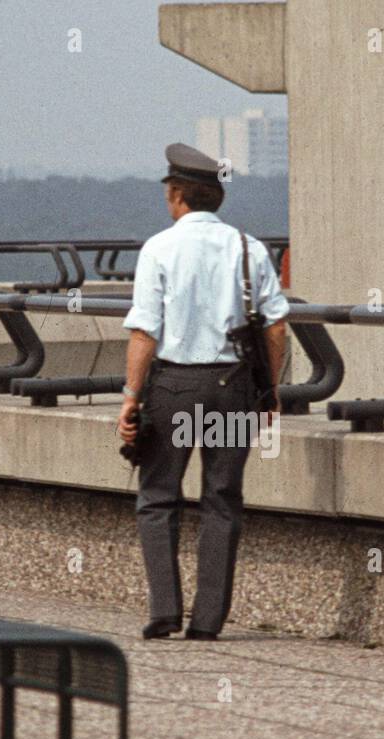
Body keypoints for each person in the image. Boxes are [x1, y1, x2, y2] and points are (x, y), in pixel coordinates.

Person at [117, 143, 289, 641]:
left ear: (176, 197)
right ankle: (208, 620)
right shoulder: (248, 248)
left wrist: (131, 396)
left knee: (157, 496)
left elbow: (145, 332)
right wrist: (269, 389)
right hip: (232, 387)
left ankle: (164, 611)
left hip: (173, 385)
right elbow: (276, 327)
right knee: (222, 499)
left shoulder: (159, 248)